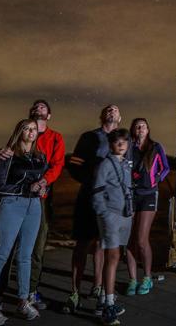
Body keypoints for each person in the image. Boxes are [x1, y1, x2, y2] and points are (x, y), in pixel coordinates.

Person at [0, 99, 65, 310]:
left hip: (39, 198)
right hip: (15, 197)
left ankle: (29, 291)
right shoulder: (22, 134)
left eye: (43, 106)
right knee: (7, 247)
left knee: (35, 247)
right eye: (35, 106)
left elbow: (57, 165)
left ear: (49, 115)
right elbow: (7, 158)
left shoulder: (55, 138)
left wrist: (43, 182)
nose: (38, 108)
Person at [0, 119, 49, 325]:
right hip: (12, 205)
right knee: (1, 254)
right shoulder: (8, 155)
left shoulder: (39, 157)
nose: (31, 132)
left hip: (34, 206)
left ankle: (23, 301)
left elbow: (41, 181)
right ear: (19, 132)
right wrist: (26, 189)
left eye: (34, 129)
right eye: (26, 129)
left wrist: (43, 187)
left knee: (25, 256)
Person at [64, 104, 122, 315]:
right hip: (89, 197)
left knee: (103, 244)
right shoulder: (89, 137)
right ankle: (74, 293)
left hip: (111, 202)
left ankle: (98, 287)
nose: (111, 111)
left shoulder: (123, 139)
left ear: (120, 118)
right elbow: (74, 164)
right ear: (101, 115)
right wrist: (92, 181)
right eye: (108, 109)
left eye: (115, 109)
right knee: (83, 243)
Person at [124, 118, 170, 296]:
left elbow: (165, 168)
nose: (140, 128)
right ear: (133, 130)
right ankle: (132, 280)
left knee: (142, 240)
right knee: (130, 241)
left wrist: (155, 180)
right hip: (131, 194)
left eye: (143, 126)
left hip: (148, 195)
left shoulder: (156, 147)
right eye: (137, 126)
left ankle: (147, 277)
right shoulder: (129, 147)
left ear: (148, 129)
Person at [93, 128, 134, 326]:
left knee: (116, 256)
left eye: (124, 141)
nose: (121, 144)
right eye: (117, 141)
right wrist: (104, 213)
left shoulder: (125, 164)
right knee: (113, 256)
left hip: (124, 215)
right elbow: (97, 191)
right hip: (111, 214)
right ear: (110, 144)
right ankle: (109, 305)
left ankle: (103, 301)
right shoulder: (105, 164)